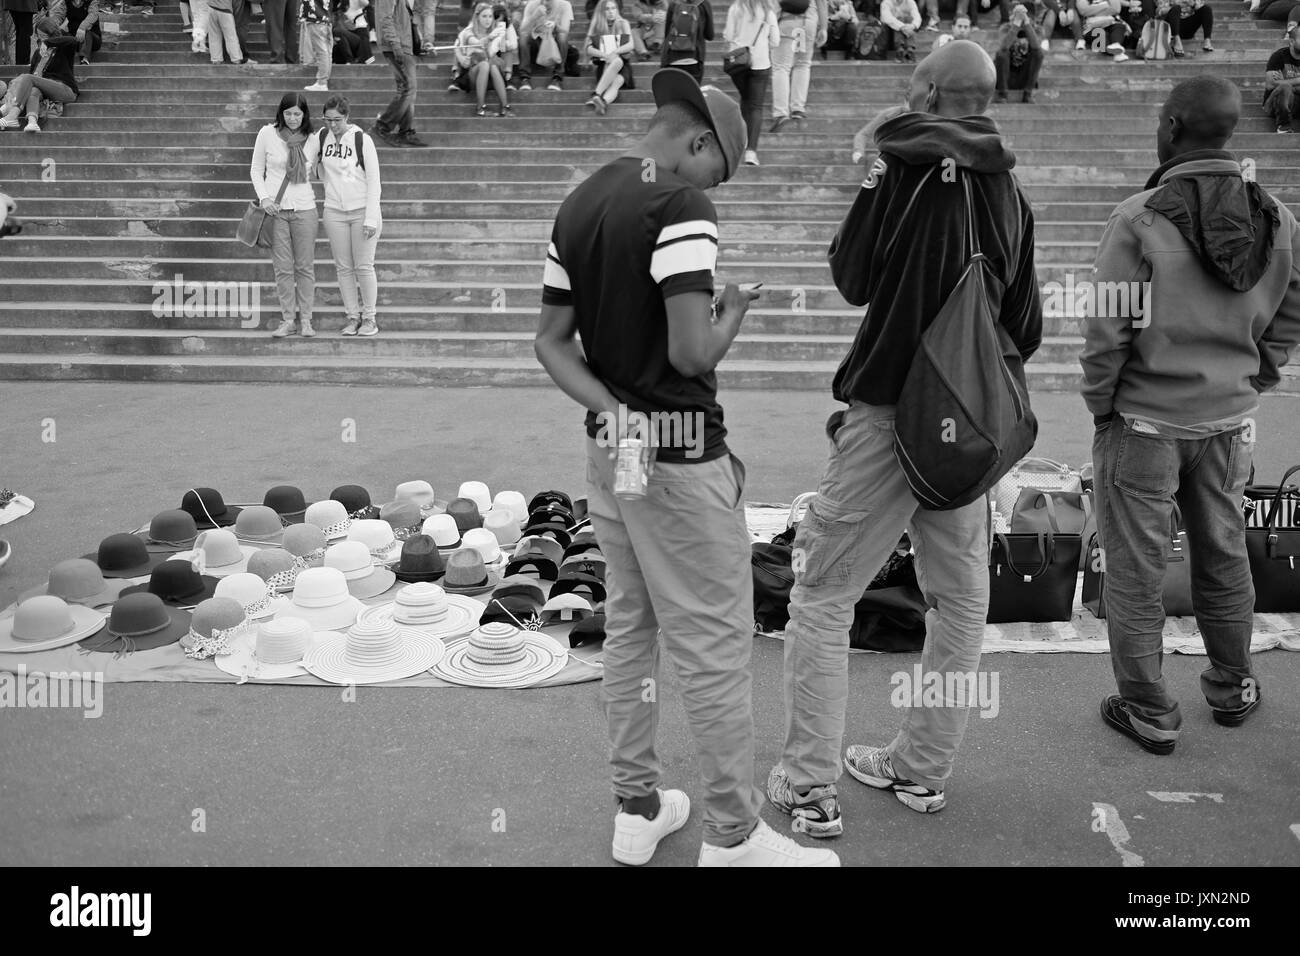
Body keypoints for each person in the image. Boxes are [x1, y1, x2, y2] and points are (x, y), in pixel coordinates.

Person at [535, 67, 839, 867]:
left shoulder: (583, 200)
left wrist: (612, 411)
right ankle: (734, 835)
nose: (719, 188)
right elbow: (688, 350)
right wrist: (731, 311)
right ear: (699, 143)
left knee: (631, 629)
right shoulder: (682, 206)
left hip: (615, 451)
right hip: (680, 455)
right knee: (713, 646)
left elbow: (550, 343)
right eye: (722, 171)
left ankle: (637, 809)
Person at [768, 40, 1041, 835]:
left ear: (924, 88)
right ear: (986, 100)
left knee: (822, 597)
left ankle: (809, 783)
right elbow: (1027, 324)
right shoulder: (1010, 188)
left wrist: (870, 165)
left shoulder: (895, 162)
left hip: (888, 413)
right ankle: (921, 770)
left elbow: (851, 275)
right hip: (965, 430)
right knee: (958, 602)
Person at [1084, 75, 1300, 753]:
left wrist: (1103, 406)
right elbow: (1291, 315)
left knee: (1136, 569)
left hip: (1145, 420)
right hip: (1229, 420)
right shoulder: (1275, 215)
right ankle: (1233, 685)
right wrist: (1253, 378)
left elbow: (1106, 332)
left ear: (1174, 126)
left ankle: (1149, 707)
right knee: (1224, 553)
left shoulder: (1139, 216)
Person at [305, 95, 384, 336]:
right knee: (343, 267)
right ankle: (352, 316)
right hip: (334, 210)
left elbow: (374, 182)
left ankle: (369, 318)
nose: (332, 125)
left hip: (362, 210)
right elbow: (308, 161)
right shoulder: (320, 137)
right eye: (327, 119)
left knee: (363, 265)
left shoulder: (362, 140)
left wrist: (371, 217)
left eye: (337, 120)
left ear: (347, 117)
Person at [251, 93, 319, 338]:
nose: (292, 118)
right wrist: (264, 198)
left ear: (304, 115)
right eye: (288, 113)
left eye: (297, 114)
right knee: (282, 268)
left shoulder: (313, 139)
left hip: (305, 209)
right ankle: (288, 319)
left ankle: (307, 320)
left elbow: (323, 166)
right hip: (276, 211)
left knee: (304, 267)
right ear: (281, 113)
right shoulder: (267, 134)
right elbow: (257, 169)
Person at [0, 17, 79, 133]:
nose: (41, 39)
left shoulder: (63, 48)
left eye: (44, 35)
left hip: (65, 89)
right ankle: (32, 123)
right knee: (33, 89)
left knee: (28, 78)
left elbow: (73, 40)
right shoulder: (38, 53)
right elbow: (33, 77)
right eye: (39, 36)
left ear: (51, 33)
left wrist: (48, 42)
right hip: (45, 90)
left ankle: (12, 116)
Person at [724, 0, 778, 165]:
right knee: (755, 107)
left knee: (745, 100)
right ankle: (751, 151)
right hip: (760, 63)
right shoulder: (768, 10)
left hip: (739, 62)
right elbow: (775, 41)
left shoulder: (736, 8)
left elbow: (728, 35)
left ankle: (742, 142)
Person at [373, 0, 429, 145]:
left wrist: (416, 45)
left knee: (409, 90)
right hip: (397, 46)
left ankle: (405, 131)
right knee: (408, 88)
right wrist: (396, 44)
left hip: (404, 46)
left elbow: (404, 22)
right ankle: (383, 125)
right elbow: (385, 18)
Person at [454, 1, 515, 115]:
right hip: (473, 76)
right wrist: (490, 37)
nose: (488, 20)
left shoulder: (495, 30)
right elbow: (477, 43)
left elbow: (507, 47)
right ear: (477, 17)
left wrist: (502, 33)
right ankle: (480, 107)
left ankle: (505, 107)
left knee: (491, 65)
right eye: (484, 16)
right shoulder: (468, 32)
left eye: (490, 16)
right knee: (485, 64)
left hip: (491, 77)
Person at [770, 0, 824, 128]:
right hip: (808, 23)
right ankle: (798, 108)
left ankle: (781, 112)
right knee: (802, 65)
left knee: (781, 67)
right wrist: (823, 28)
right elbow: (822, 2)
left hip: (786, 21)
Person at [586, 0, 636, 115]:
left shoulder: (623, 23)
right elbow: (589, 49)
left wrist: (614, 52)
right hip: (604, 65)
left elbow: (631, 44)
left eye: (613, 8)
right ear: (601, 11)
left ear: (617, 10)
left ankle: (599, 98)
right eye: (607, 9)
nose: (611, 12)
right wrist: (605, 55)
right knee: (615, 61)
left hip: (623, 65)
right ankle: (600, 98)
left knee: (618, 78)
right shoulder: (598, 25)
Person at [517, 0, 574, 91]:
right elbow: (522, 29)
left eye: (548, 0)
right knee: (524, 37)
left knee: (562, 37)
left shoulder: (565, 5)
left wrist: (555, 26)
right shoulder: (532, 4)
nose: (545, 3)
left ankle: (557, 77)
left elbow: (565, 30)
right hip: (536, 44)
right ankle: (524, 78)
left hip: (553, 47)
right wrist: (534, 17)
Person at [994, 2, 1043, 101]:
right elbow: (1003, 47)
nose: (1020, 21)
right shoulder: (1005, 28)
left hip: (1024, 77)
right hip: (1006, 76)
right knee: (1001, 53)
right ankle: (1003, 93)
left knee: (1039, 54)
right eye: (1016, 17)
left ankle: (1028, 93)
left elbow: (1036, 47)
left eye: (1022, 18)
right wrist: (1015, 25)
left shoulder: (1038, 29)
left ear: (1032, 19)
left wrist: (1027, 25)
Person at [660, 0, 713, 82]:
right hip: (694, 59)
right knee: (691, 93)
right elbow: (710, 35)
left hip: (671, 59)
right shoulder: (704, 4)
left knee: (672, 94)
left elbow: (667, 33)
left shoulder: (674, 3)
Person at [1264, 16, 1300, 132]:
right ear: (1292, 41)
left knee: (1285, 85)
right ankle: (1284, 126)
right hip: (1275, 104)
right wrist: (1297, 81)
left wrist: (1283, 80)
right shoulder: (1279, 56)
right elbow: (1270, 84)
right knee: (1285, 88)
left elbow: (1277, 83)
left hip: (1296, 103)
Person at [302, 0, 334, 89]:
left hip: (316, 17)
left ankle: (322, 82)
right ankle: (324, 80)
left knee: (322, 52)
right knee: (326, 52)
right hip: (325, 18)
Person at [61, 0, 102, 65]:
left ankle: (84, 58)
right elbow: (59, 16)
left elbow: (93, 15)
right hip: (75, 38)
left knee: (87, 33)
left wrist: (82, 28)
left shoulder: (92, 2)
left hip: (92, 40)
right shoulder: (66, 2)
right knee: (59, 31)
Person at [1, 0, 41, 66]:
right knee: (25, 33)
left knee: (21, 33)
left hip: (13, 3)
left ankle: (20, 66)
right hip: (24, 4)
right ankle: (23, 66)